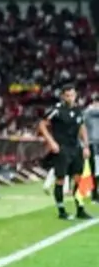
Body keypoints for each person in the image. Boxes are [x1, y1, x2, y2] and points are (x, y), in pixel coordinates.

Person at [38, 85, 91, 221]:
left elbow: (82, 127)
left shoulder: (78, 110)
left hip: (76, 147)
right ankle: (61, 210)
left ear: (75, 95)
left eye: (72, 95)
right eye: (67, 95)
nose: (70, 98)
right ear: (63, 96)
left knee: (78, 178)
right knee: (60, 178)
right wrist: (51, 142)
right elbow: (42, 125)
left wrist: (86, 146)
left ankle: (80, 208)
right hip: (62, 148)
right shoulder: (57, 110)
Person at [86, 98, 99, 202]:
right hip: (93, 144)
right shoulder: (89, 112)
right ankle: (94, 195)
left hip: (96, 144)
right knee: (95, 170)